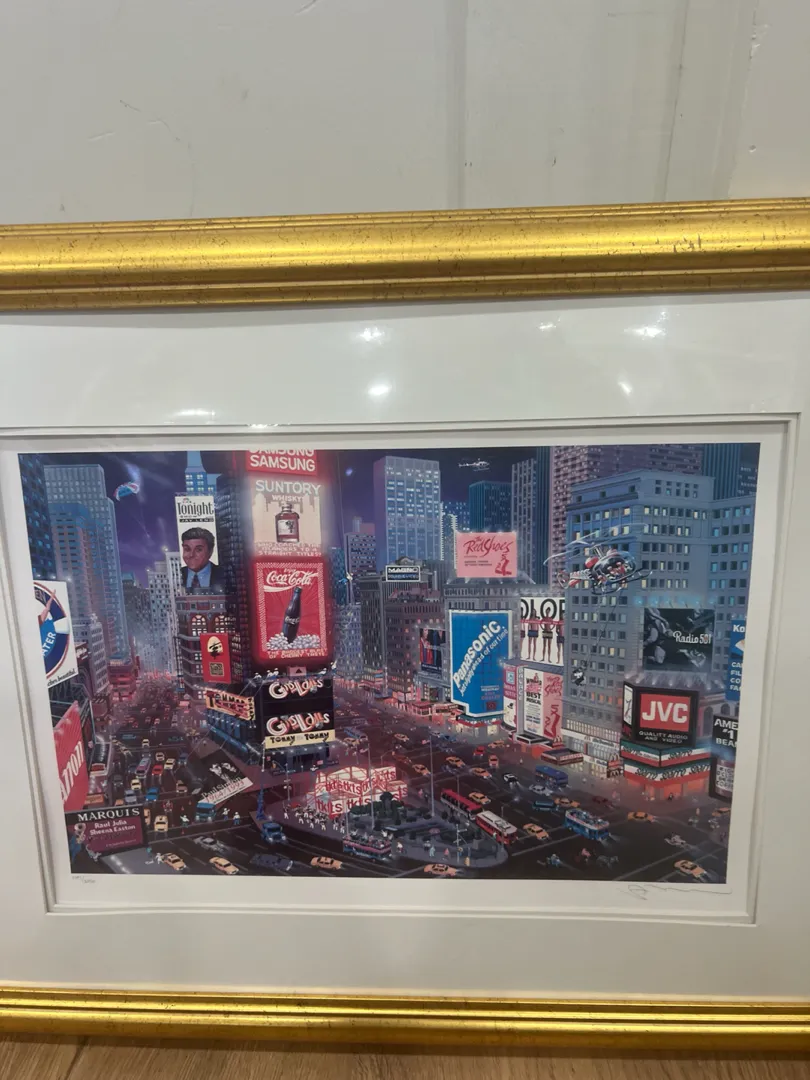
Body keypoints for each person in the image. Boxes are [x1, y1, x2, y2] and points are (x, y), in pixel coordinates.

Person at [180, 527, 225, 593]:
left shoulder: (225, 574)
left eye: (198, 550)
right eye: (187, 549)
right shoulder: (178, 574)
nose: (191, 555)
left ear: (210, 551)